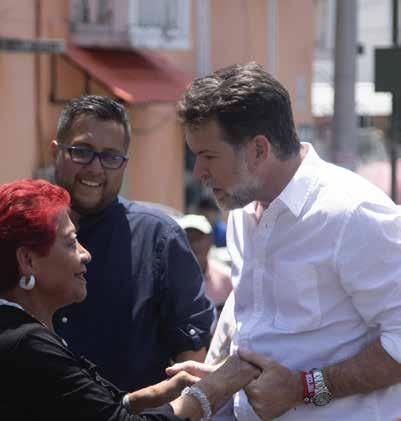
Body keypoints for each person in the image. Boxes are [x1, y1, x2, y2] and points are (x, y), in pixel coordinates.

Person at [170, 62, 401, 420]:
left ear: (259, 150)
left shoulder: (353, 213)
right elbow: (259, 326)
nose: (199, 172)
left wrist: (304, 388)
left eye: (208, 156)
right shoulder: (243, 212)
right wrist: (218, 378)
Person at [0, 179, 260, 421]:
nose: (85, 254)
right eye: (70, 243)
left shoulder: (22, 334)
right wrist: (212, 389)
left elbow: (88, 409)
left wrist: (154, 395)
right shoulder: (26, 343)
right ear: (28, 260)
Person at [51, 95, 214, 391]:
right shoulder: (21, 231)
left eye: (111, 157)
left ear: (124, 164)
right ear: (56, 153)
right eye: (82, 152)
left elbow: (191, 355)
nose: (95, 168)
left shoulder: (159, 238)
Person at [178, 214, 232, 319]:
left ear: (210, 240)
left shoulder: (226, 278)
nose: (194, 244)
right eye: (188, 238)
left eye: (199, 238)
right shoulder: (169, 279)